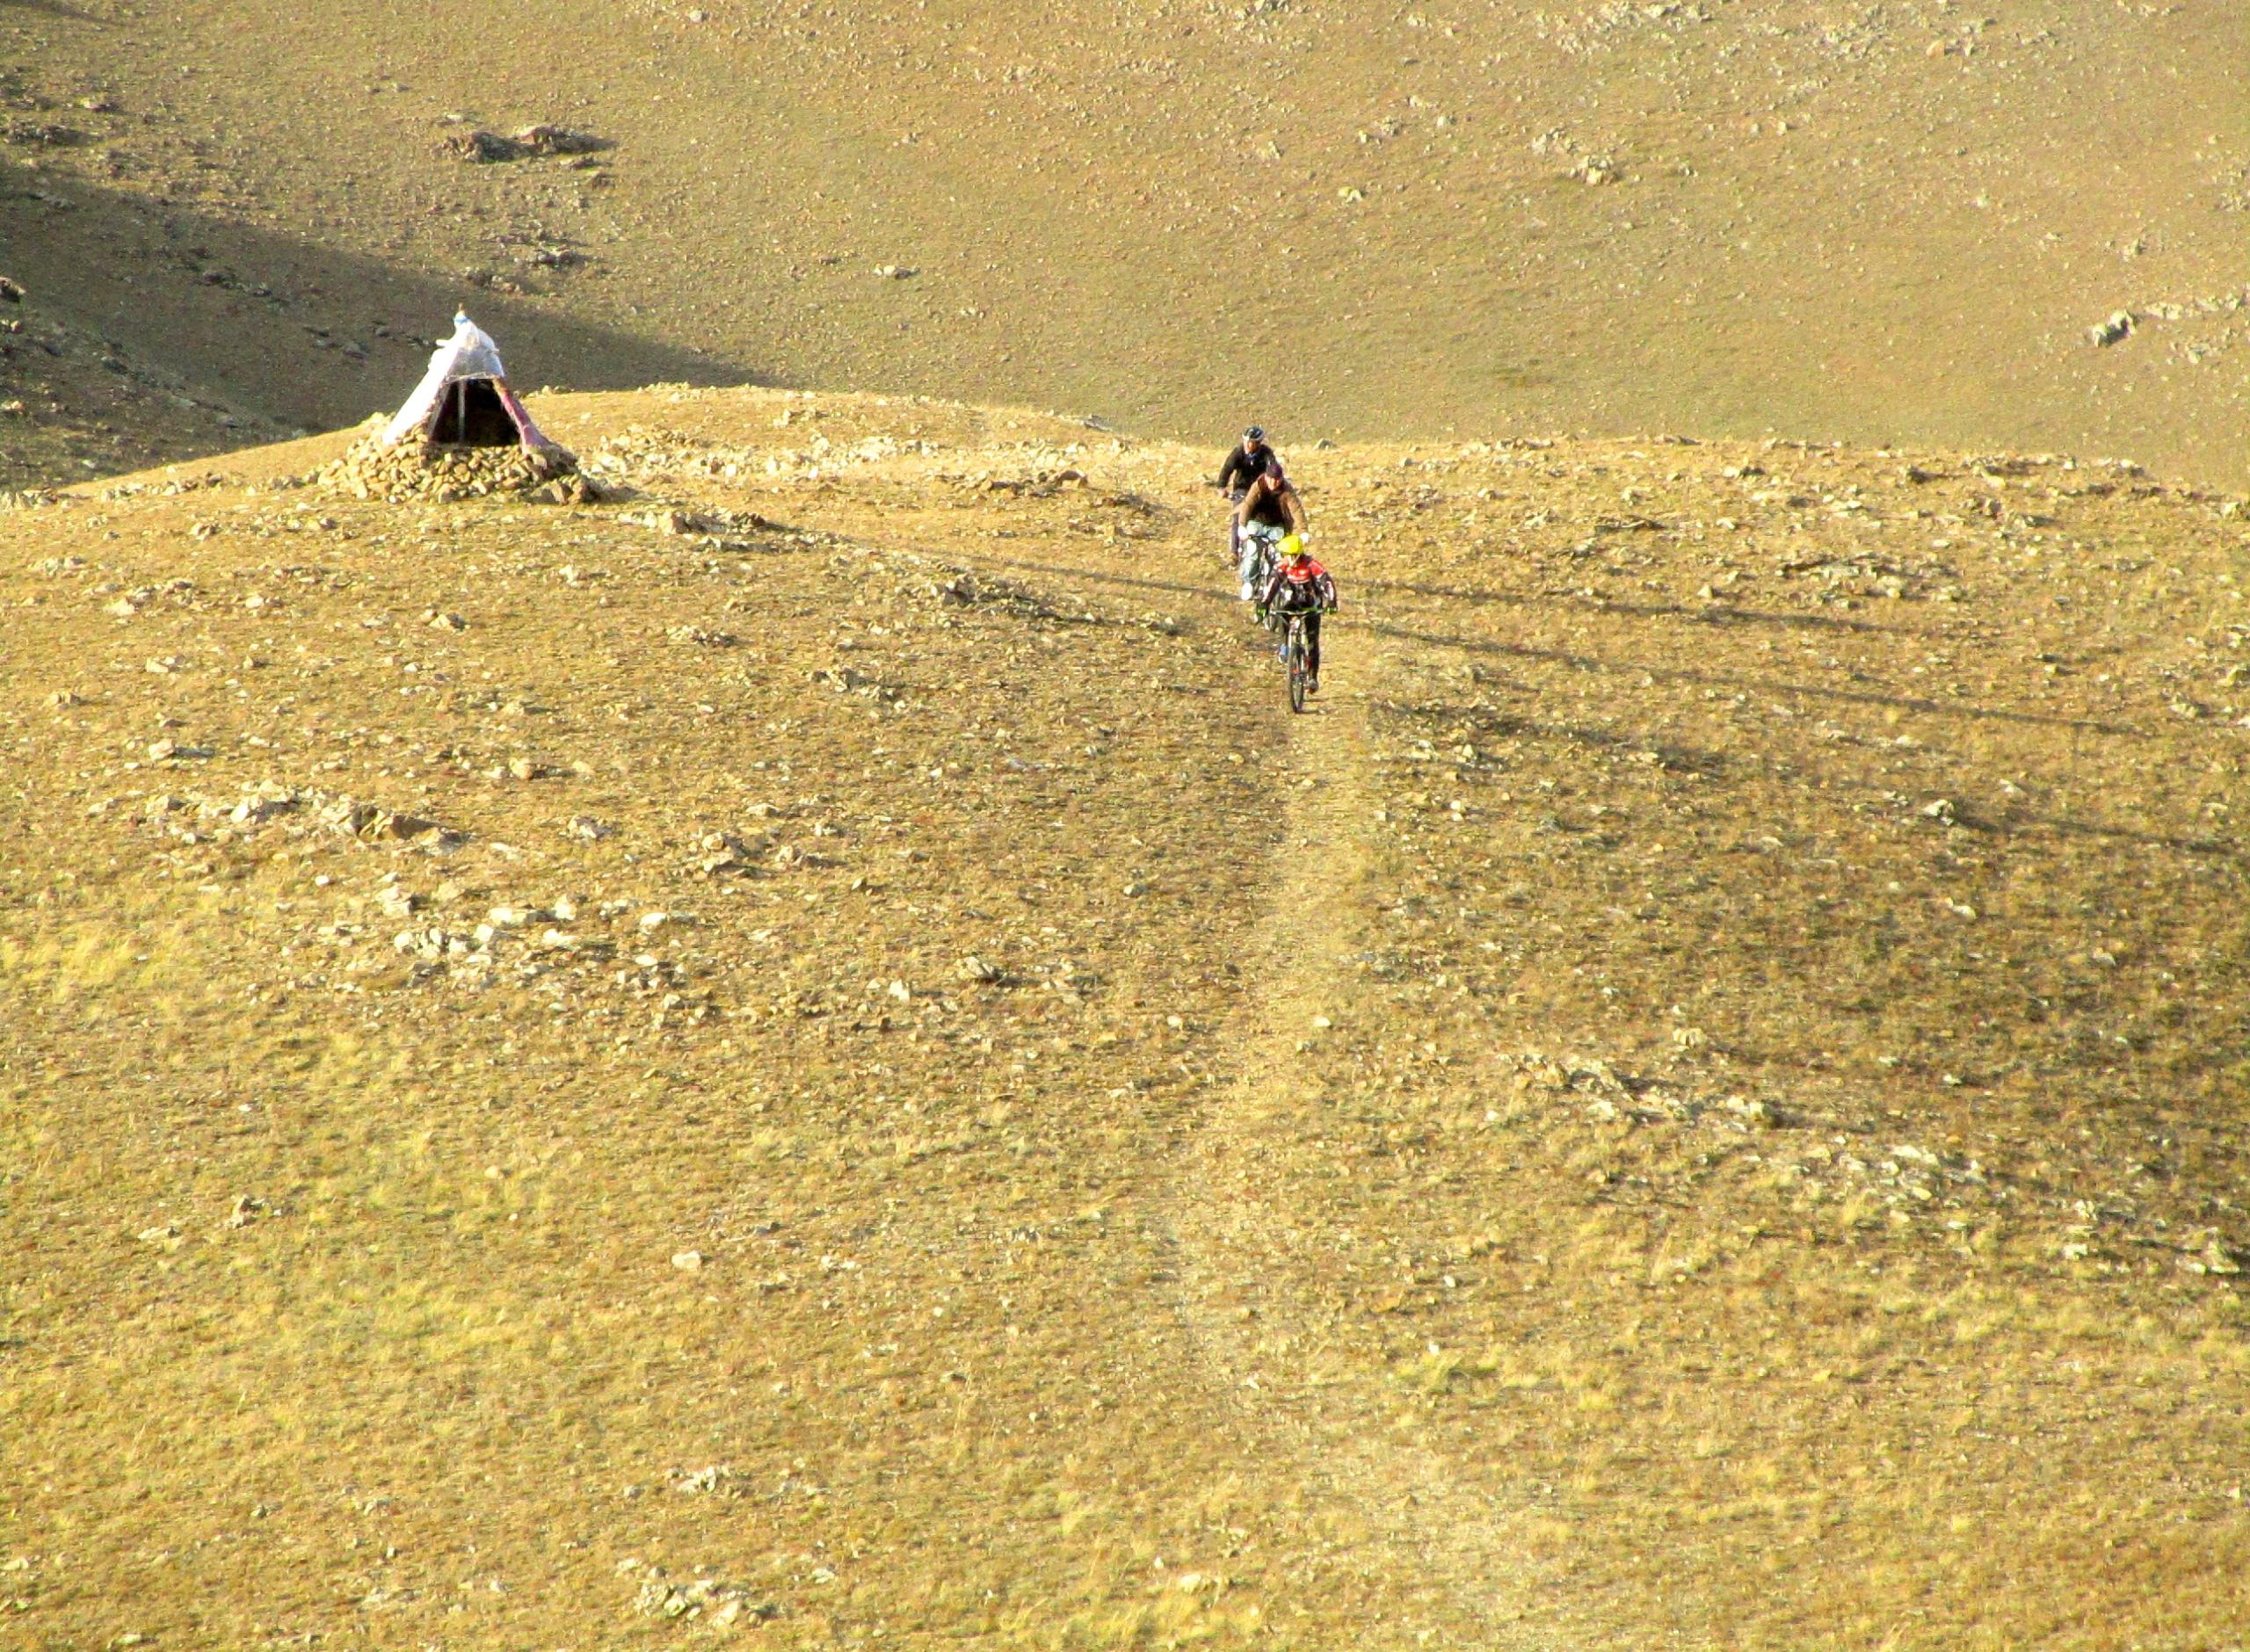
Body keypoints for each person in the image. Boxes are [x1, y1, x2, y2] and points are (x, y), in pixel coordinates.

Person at [1216, 426, 1307, 600]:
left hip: (1262, 490)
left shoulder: (1266, 455)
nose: (1249, 445)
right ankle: (1234, 552)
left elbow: (1295, 507)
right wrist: (1221, 486)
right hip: (1245, 489)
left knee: (1280, 548)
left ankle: (1279, 580)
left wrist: (1303, 531)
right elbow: (1227, 469)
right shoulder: (1238, 453)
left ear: (1259, 443)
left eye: (1253, 443)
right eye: (1247, 442)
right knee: (1239, 517)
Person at [1258, 536, 1337, 692]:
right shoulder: (1282, 566)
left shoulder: (1311, 565)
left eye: (1288, 555)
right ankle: (1285, 646)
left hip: (1311, 604)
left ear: (1297, 554)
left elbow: (1327, 582)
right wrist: (1263, 605)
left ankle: (1313, 677)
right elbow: (1272, 585)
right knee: (1282, 615)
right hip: (1292, 602)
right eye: (1284, 555)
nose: (1285, 558)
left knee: (1312, 641)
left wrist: (1332, 603)